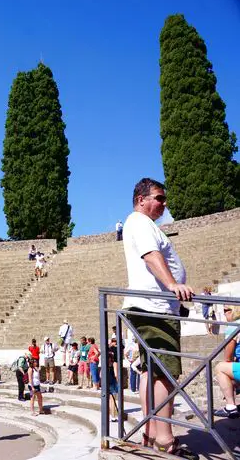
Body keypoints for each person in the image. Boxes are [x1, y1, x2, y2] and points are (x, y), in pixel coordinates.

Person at [122, 179, 194, 455]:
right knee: (165, 373)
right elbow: (151, 256)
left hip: (152, 307)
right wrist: (173, 285)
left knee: (150, 372)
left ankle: (151, 434)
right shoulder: (139, 222)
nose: (164, 204)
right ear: (141, 199)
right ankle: (164, 439)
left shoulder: (141, 224)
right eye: (159, 198)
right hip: (154, 308)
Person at [214, 306, 240, 418]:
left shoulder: (233, 327)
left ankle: (230, 407)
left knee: (220, 368)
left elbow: (228, 358)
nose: (224, 314)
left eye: (226, 310)